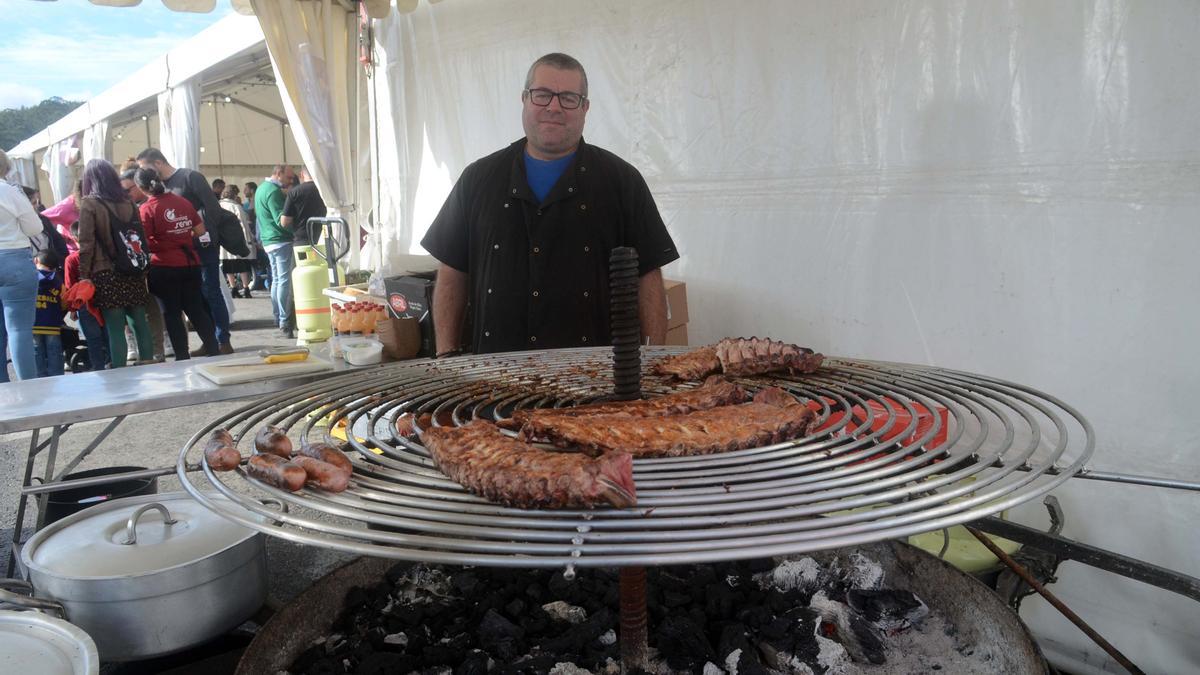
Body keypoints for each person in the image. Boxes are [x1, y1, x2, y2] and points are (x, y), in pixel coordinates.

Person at [421, 53, 678, 356]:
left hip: (597, 384)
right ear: (525, 99)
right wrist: (446, 355)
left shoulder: (622, 181)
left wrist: (652, 362)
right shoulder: (478, 179)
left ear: (585, 107)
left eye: (569, 98)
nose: (554, 107)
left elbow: (647, 276)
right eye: (542, 95)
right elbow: (452, 271)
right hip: (493, 384)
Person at [135, 148, 234, 354]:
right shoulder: (181, 201)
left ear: (141, 187)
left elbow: (144, 242)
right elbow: (199, 229)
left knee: (173, 313)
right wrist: (180, 236)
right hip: (190, 262)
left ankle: (184, 355)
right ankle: (213, 347)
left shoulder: (148, 208)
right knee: (196, 307)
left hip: (167, 265)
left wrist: (166, 241)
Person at [76, 159, 154, 368]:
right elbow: (140, 235)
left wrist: (83, 275)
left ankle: (119, 368)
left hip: (105, 270)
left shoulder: (90, 203)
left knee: (115, 325)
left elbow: (86, 244)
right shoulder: (128, 201)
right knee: (139, 318)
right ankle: (147, 359)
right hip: (133, 266)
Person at [0, 148, 43, 382]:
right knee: (19, 330)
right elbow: (35, 228)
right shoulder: (9, 191)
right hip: (13, 258)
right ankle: (29, 390)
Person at [255, 164, 297, 339]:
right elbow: (282, 220)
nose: (290, 181)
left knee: (277, 280)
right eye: (288, 178)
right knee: (284, 281)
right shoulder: (273, 192)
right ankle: (283, 320)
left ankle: (277, 316)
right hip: (280, 240)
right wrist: (296, 232)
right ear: (278, 174)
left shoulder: (261, 189)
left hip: (269, 240)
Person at [63, 221, 108, 371]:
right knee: (109, 335)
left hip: (84, 303)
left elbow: (70, 287)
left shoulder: (71, 259)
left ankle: (98, 367)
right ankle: (114, 363)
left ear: (74, 239)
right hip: (106, 299)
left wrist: (73, 310)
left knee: (93, 338)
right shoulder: (103, 255)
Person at [32, 249, 65, 377]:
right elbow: (64, 302)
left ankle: (38, 377)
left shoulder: (31, 278)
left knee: (36, 350)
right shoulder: (58, 281)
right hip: (52, 324)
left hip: (34, 323)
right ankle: (57, 376)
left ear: (36, 261)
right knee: (54, 351)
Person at [219, 185, 256, 297]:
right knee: (242, 265)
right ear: (234, 195)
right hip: (237, 239)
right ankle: (246, 288)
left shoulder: (217, 205)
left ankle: (233, 288)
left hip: (223, 240)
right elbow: (243, 225)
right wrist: (248, 240)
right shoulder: (236, 207)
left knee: (228, 264)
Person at [280, 167, 327, 248]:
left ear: (301, 174)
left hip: (302, 240)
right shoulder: (326, 190)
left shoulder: (294, 192)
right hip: (323, 238)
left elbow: (284, 222)